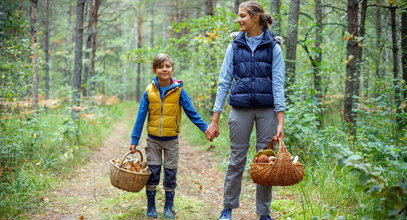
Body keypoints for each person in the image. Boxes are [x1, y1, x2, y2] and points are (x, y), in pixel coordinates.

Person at [205, 1, 285, 220]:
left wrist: (280, 121)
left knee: (264, 161)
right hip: (240, 109)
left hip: (267, 110)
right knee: (237, 159)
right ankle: (227, 208)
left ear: (256, 17)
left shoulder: (273, 47)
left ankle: (264, 212)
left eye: (242, 16)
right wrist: (215, 119)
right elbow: (224, 82)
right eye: (238, 15)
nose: (238, 19)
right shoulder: (234, 46)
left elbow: (278, 84)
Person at [130, 53, 213, 219]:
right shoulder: (149, 91)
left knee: (170, 173)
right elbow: (140, 117)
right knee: (152, 172)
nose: (164, 69)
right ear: (155, 70)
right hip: (153, 140)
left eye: (167, 66)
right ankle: (151, 206)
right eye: (160, 67)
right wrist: (134, 140)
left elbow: (191, 112)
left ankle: (168, 206)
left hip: (171, 141)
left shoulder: (179, 91)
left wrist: (205, 128)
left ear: (172, 69)